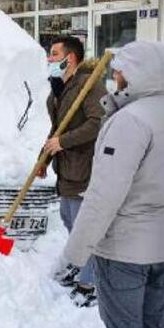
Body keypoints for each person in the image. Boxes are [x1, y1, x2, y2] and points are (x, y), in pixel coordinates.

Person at [63, 41, 164, 328]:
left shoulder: (130, 121)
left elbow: (105, 194)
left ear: (136, 73)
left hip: (125, 249)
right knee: (154, 320)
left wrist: (76, 251)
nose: (115, 74)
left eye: (120, 69)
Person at [41, 35, 107, 307]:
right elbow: (56, 130)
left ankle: (91, 281)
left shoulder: (89, 86)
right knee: (70, 221)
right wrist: (43, 160)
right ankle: (81, 265)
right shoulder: (59, 87)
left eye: (54, 54)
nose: (49, 59)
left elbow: (99, 121)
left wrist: (64, 142)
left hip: (85, 166)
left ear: (71, 57)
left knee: (84, 227)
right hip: (66, 168)